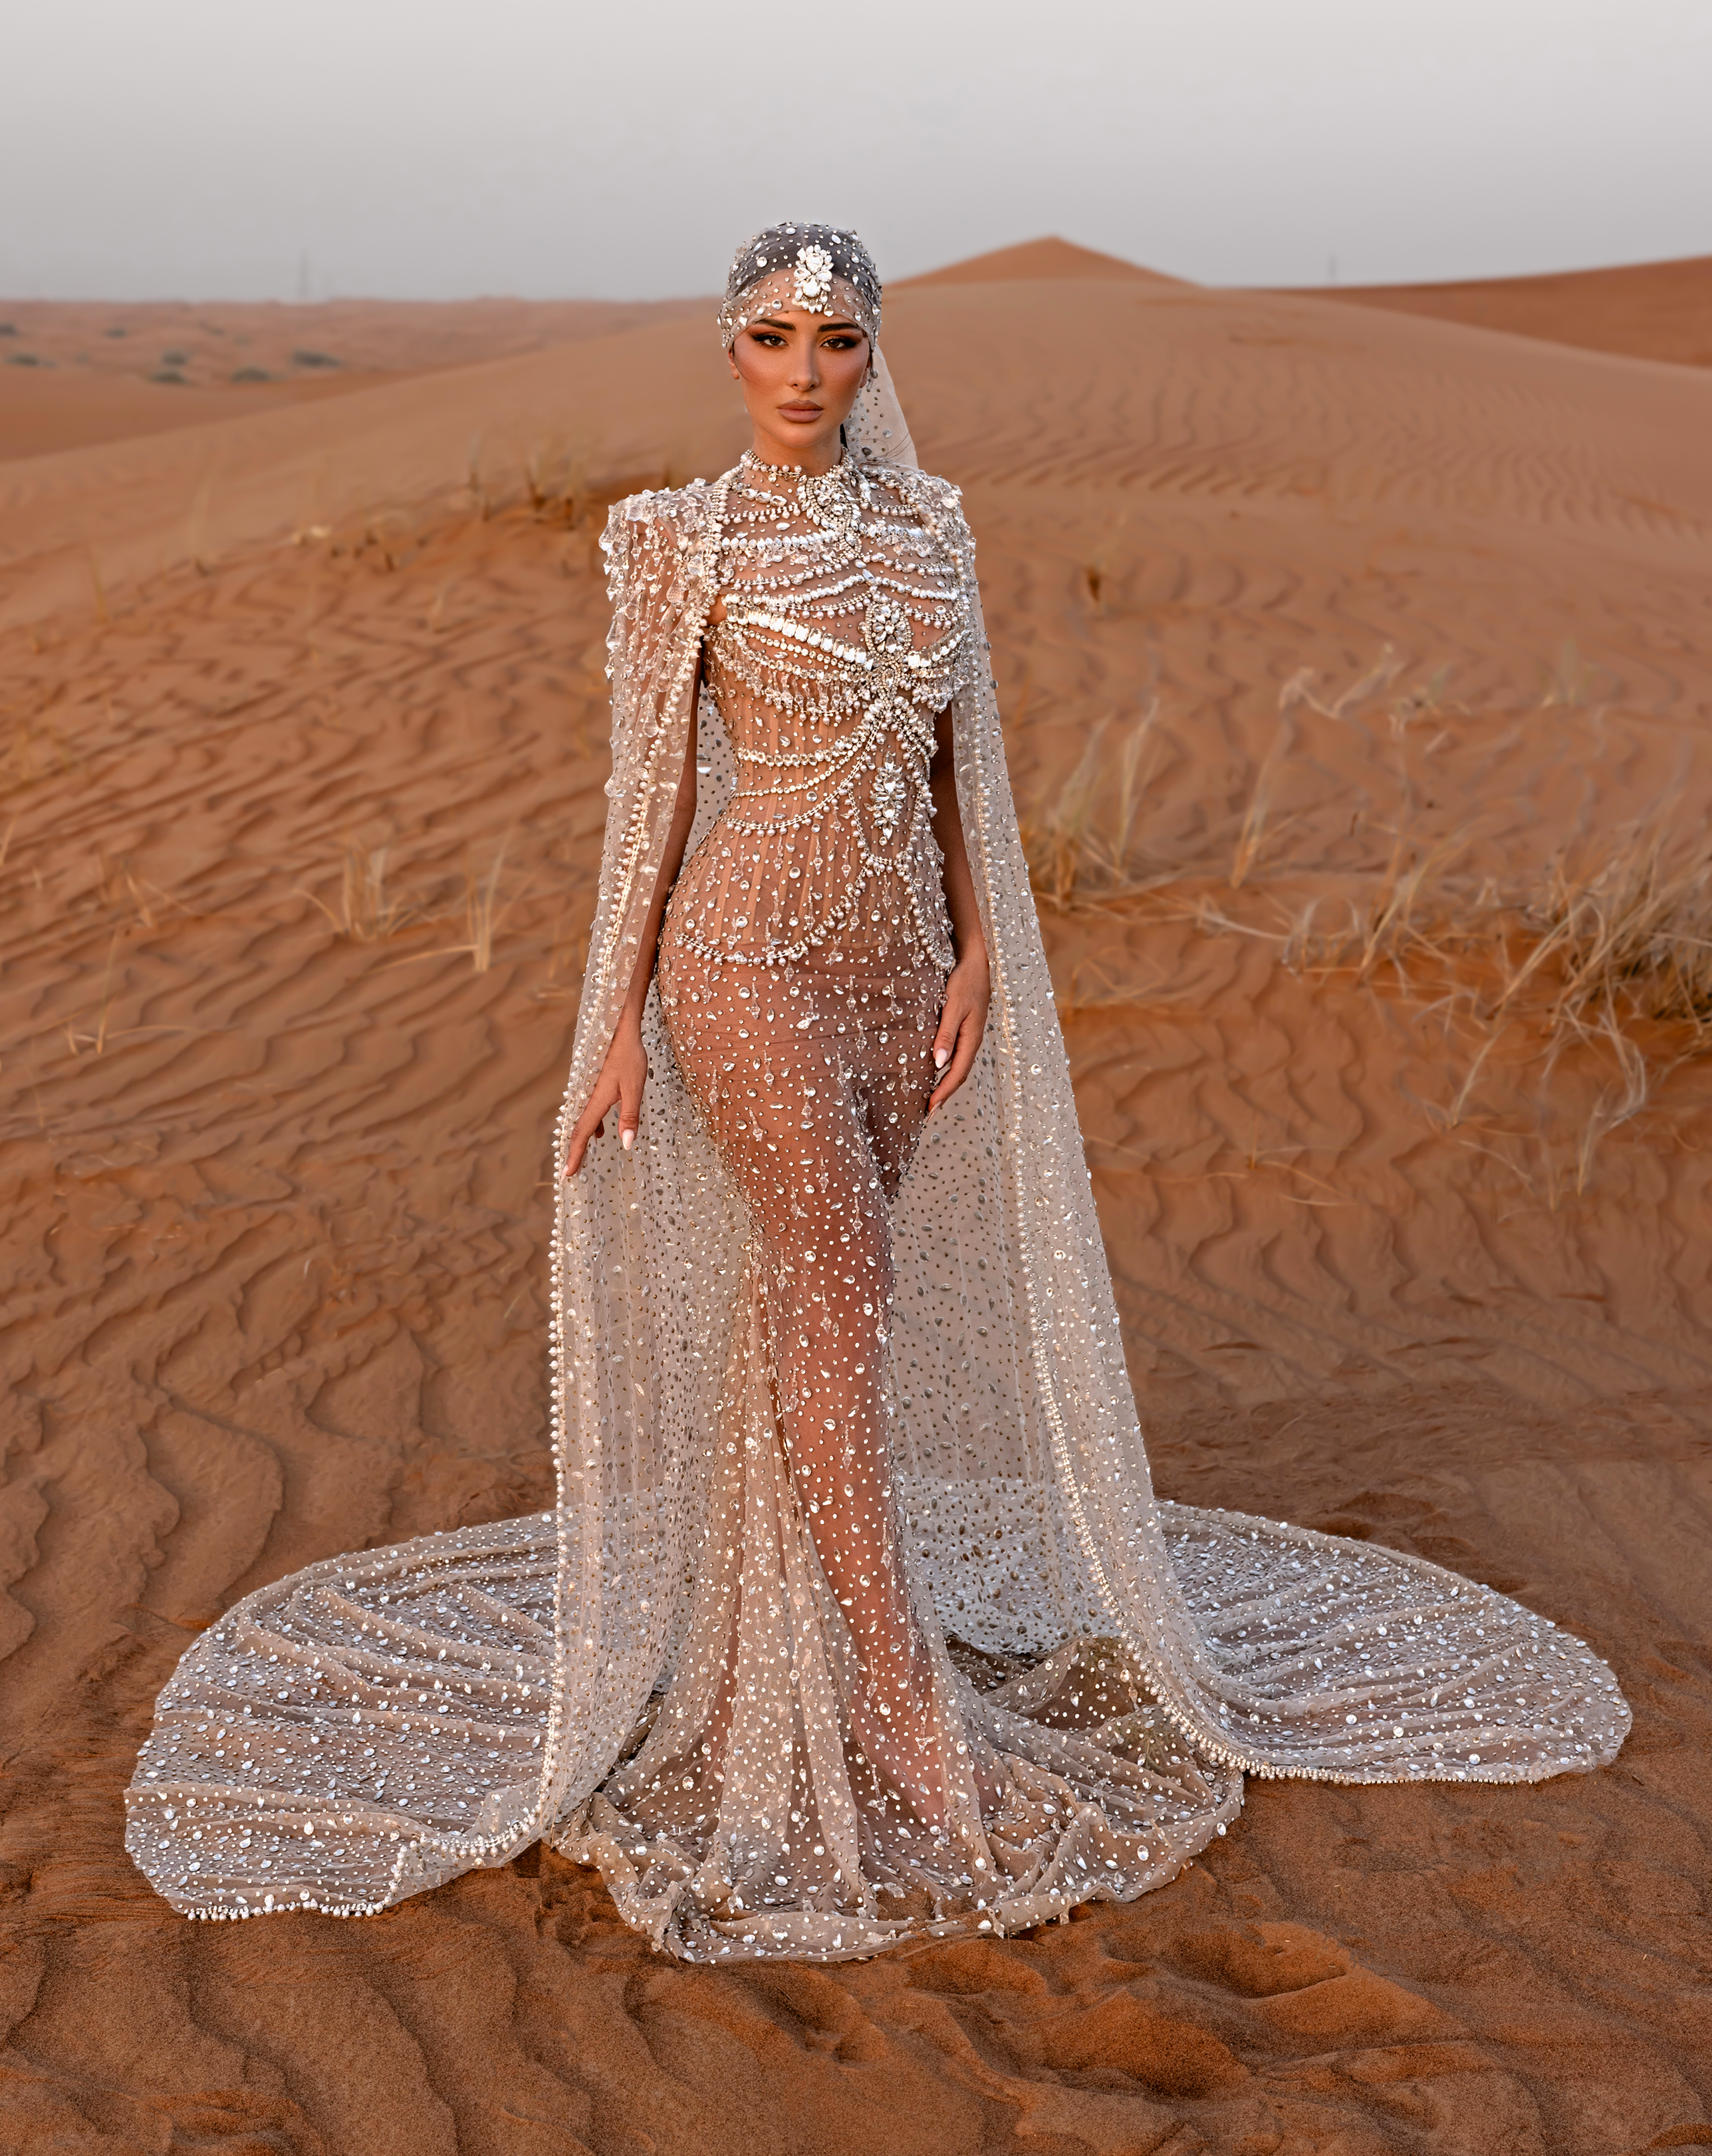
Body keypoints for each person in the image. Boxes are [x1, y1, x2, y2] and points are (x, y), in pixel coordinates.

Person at [126, 225, 1630, 1962]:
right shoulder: (672, 539)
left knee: (833, 1308)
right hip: (743, 967)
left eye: (833, 340)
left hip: (903, 981)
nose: (799, 370)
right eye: (767, 335)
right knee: (834, 1300)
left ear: (871, 356)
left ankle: (794, 1637)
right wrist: (608, 1022)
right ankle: (905, 1714)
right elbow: (646, 807)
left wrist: (980, 949)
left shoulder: (935, 529)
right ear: (726, 348)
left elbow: (958, 769)